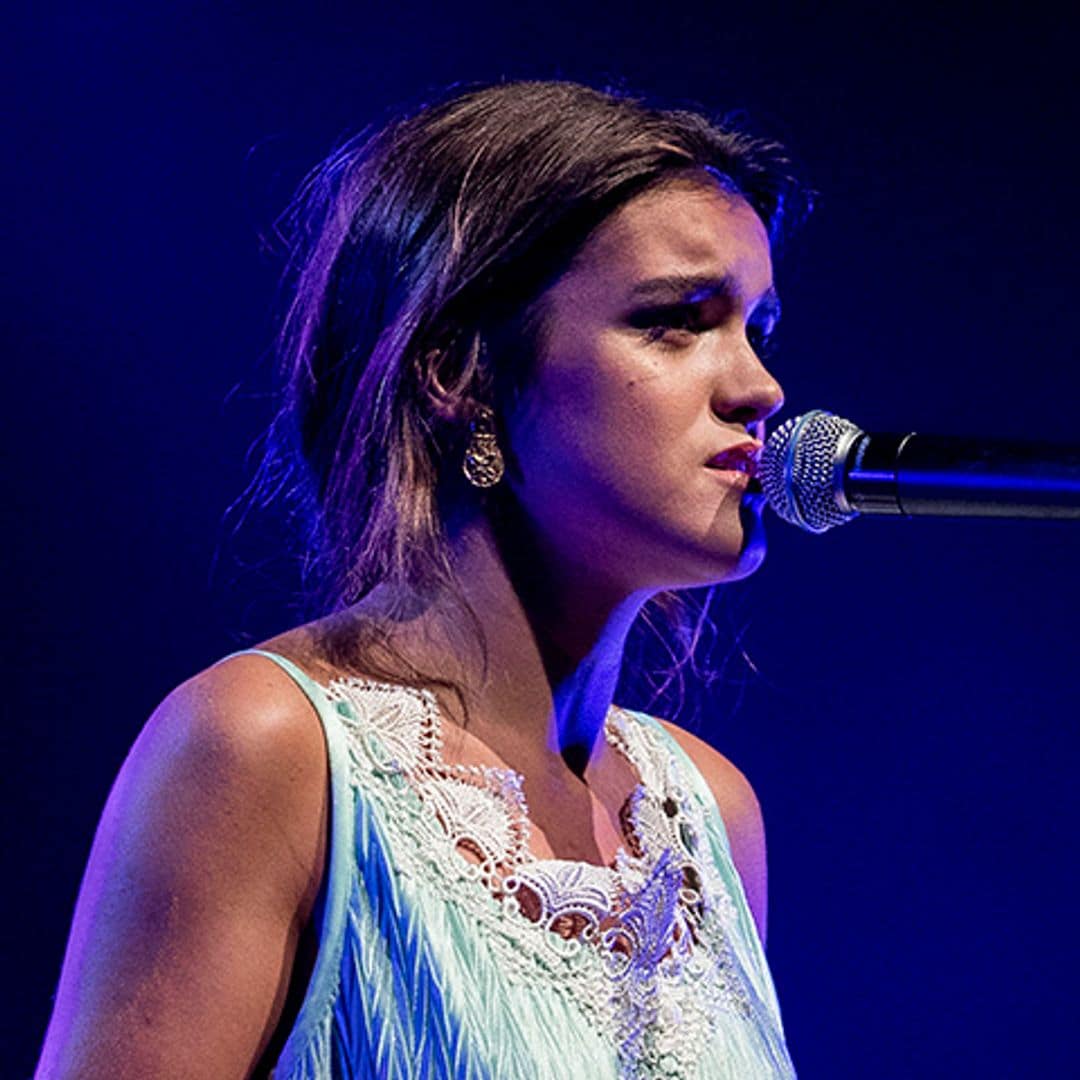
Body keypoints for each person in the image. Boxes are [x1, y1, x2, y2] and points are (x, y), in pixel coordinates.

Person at [37, 80, 805, 1079]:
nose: (760, 389)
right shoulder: (268, 749)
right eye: (673, 320)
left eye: (757, 329)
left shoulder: (708, 816)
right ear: (459, 373)